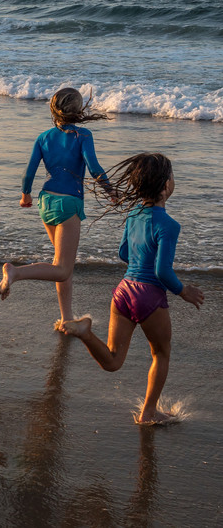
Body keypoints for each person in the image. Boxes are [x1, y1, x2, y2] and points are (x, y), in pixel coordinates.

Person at [62, 153, 204, 424]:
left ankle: (85, 332)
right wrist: (183, 290)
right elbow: (162, 272)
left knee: (114, 361)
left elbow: (124, 253)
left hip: (124, 290)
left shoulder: (134, 215)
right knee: (161, 354)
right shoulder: (169, 225)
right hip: (149, 296)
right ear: (165, 186)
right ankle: (149, 412)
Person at [0, 87, 110, 326]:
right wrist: (112, 191)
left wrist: (25, 195)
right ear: (78, 111)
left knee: (60, 264)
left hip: (45, 201)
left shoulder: (44, 137)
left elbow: (28, 173)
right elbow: (95, 168)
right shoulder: (83, 136)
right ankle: (16, 272)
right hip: (68, 204)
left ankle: (66, 319)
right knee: (63, 269)